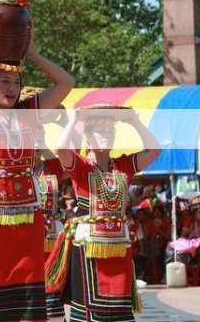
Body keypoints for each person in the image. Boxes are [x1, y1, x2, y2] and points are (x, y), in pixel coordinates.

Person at [0, 11, 74, 322]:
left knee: (28, 295)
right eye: (4, 81)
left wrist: (31, 52)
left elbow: (66, 82)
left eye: (16, 82)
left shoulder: (27, 112)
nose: (11, 88)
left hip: (28, 215)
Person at [46, 106, 160, 322]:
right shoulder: (81, 167)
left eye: (111, 132)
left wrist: (134, 121)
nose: (107, 136)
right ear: (88, 138)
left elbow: (154, 150)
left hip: (118, 246)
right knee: (90, 309)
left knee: (119, 308)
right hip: (89, 246)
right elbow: (61, 148)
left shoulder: (123, 165)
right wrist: (73, 120)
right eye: (101, 132)